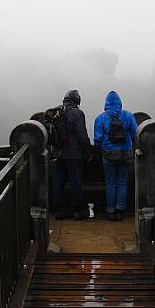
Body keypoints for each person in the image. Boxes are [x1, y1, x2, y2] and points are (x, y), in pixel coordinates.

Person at [94, 91, 137, 220]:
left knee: (110, 182)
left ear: (106, 103)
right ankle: (120, 210)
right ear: (119, 102)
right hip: (125, 153)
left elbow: (98, 139)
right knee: (122, 182)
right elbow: (136, 134)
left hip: (108, 154)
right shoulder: (128, 116)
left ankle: (110, 211)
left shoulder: (101, 118)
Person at [51, 89, 92, 220]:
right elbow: (82, 135)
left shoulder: (56, 112)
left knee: (58, 182)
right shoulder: (77, 113)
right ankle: (77, 210)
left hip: (57, 153)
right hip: (74, 154)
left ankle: (60, 209)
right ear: (77, 100)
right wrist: (88, 151)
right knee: (76, 182)